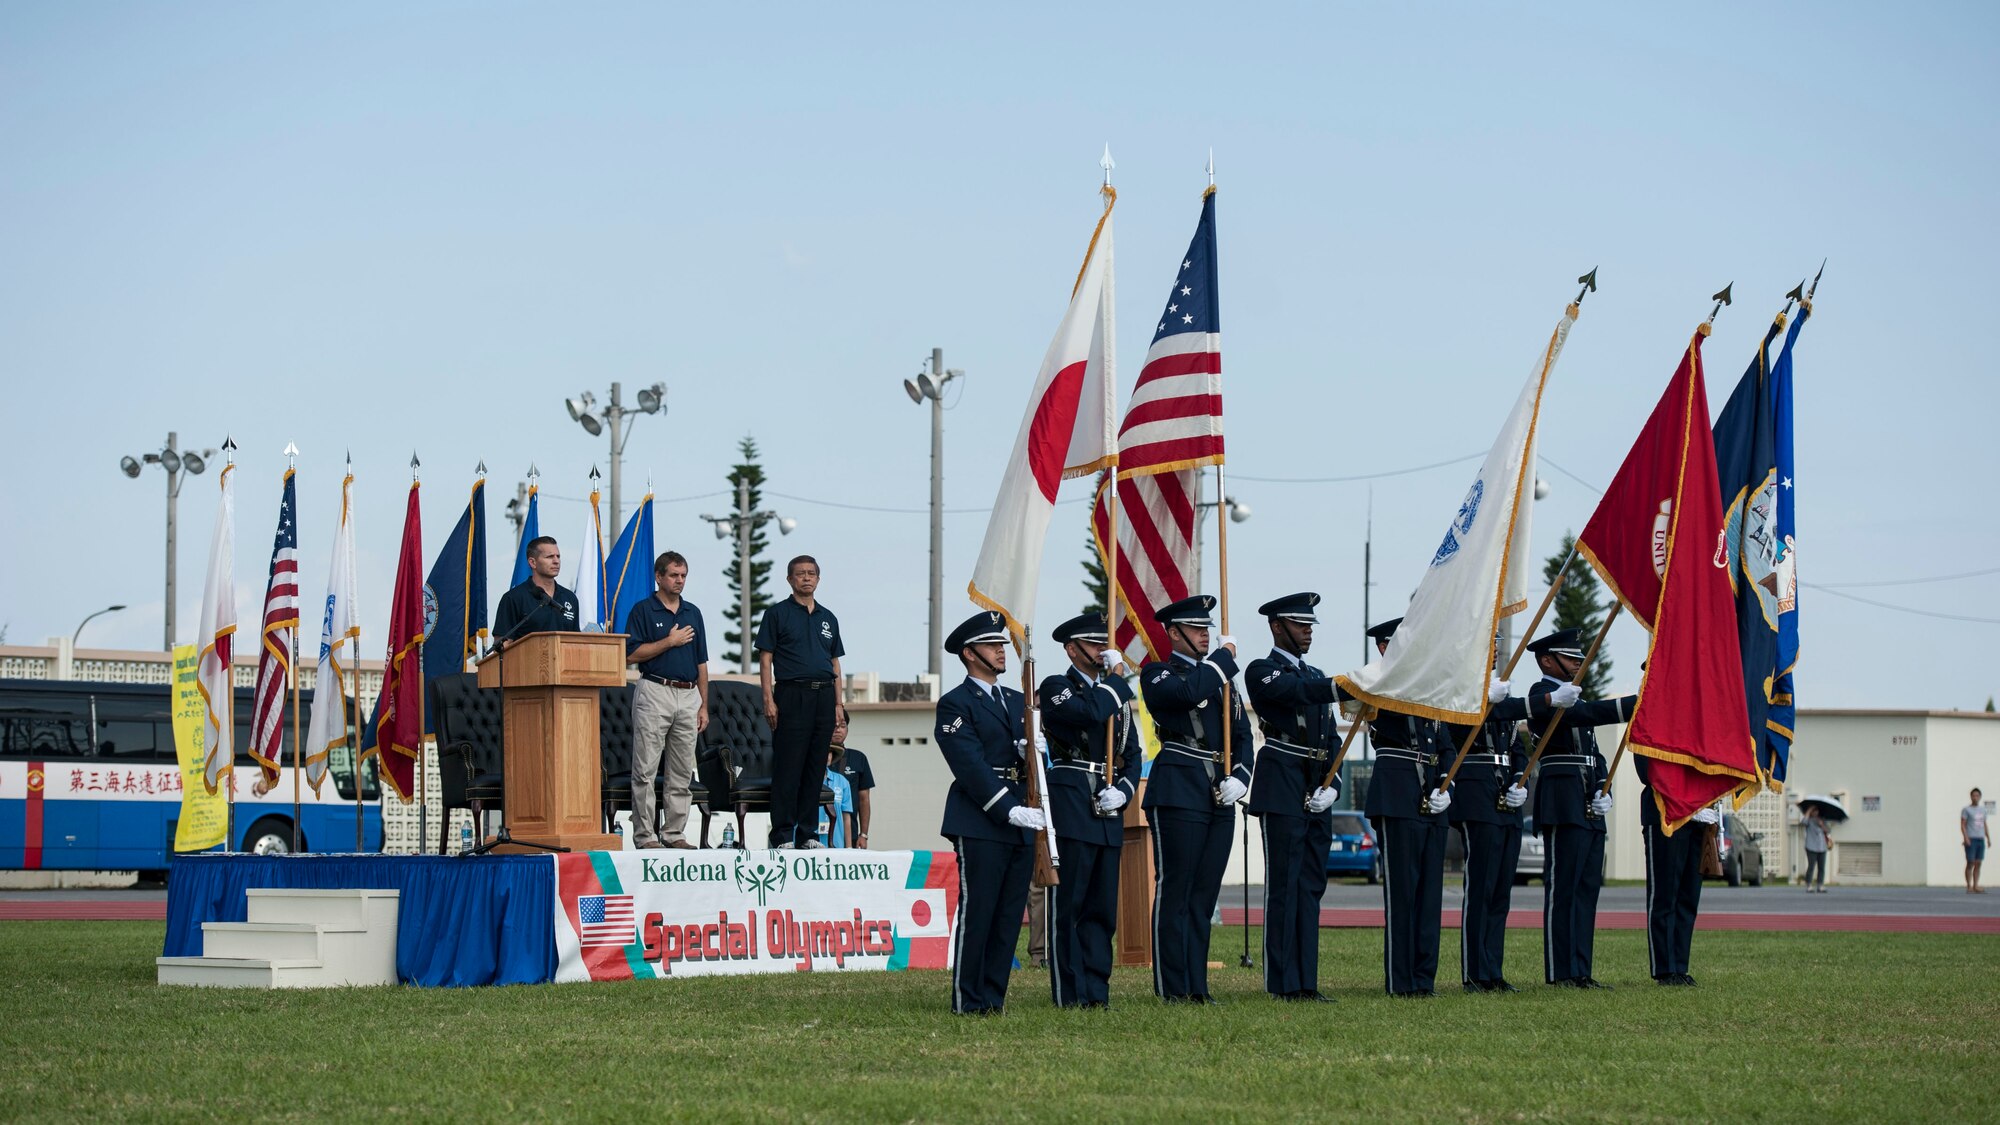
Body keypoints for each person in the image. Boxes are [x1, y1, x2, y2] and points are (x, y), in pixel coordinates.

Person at [1489, 626, 1636, 989]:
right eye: (1570, 658)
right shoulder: (1543, 694)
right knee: (1563, 889)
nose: (1576, 664)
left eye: (1577, 658)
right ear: (1547, 660)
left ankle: (1580, 969)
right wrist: (1635, 703)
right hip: (1563, 797)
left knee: (1586, 889)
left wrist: (1605, 787)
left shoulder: (1572, 696)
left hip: (1587, 797)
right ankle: (1559, 971)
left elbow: (1595, 752)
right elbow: (1579, 719)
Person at [1139, 594, 1252, 1004]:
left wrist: (1240, 775)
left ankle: (1197, 987)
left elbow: (1241, 735)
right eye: (1197, 629)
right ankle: (1173, 988)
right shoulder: (1156, 674)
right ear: (1174, 633)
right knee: (1176, 890)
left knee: (1204, 895)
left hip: (1218, 793)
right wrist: (1224, 660)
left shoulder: (1221, 680)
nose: (1206, 635)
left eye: (1208, 629)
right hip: (1179, 788)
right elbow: (1186, 695)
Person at [934, 609, 1044, 1015]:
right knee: (979, 910)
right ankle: (968, 998)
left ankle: (994, 998)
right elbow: (969, 765)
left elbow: (1032, 759)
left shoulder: (1018, 701)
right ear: (969, 653)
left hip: (1022, 816)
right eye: (992, 645)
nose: (1001, 651)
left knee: (1008, 915)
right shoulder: (955, 704)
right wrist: (1008, 809)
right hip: (981, 818)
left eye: (1001, 644)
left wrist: (1035, 754)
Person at [1038, 611, 1143, 1009]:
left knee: (1102, 910)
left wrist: (1125, 791)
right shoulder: (1056, 687)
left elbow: (1131, 755)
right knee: (1072, 906)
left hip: (1108, 806)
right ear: (1072, 648)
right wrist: (1117, 680)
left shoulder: (1117, 698)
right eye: (1095, 643)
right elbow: (1086, 713)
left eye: (1105, 643)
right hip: (1072, 801)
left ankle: (1097, 992)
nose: (1103, 650)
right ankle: (1070, 991)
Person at [1243, 592, 1340, 1003]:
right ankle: (1282, 981)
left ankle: (1307, 981)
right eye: (1300, 625)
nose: (1307, 631)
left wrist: (1332, 785)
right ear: (1276, 626)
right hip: (1283, 777)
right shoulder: (1262, 670)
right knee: (1284, 885)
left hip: (1317, 780)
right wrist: (1338, 686)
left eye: (1310, 625)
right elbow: (1294, 692)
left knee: (1310, 886)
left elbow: (1332, 736)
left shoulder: (1316, 674)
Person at [1354, 617, 1454, 998]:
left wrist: (1448, 782)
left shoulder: (1427, 687)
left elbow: (1444, 740)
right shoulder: (1376, 681)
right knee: (1403, 894)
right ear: (1384, 646)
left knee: (1430, 894)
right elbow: (1362, 704)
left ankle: (1424, 978)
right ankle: (1401, 980)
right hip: (1397, 792)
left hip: (1432, 792)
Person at [1447, 656, 1529, 994]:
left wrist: (1519, 782)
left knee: (1500, 891)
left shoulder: (1503, 695)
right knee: (1480, 887)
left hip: (1504, 794)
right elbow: (1456, 730)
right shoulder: (1458, 690)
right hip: (1476, 792)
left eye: (1496, 643)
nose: (1493, 650)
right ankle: (1475, 973)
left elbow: (1516, 747)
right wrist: (1482, 699)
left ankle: (1493, 969)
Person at [754, 555, 845, 849]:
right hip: (792, 695)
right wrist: (768, 699)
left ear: (818, 579)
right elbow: (765, 659)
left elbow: (835, 664)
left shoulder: (828, 618)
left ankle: (807, 834)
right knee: (788, 768)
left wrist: (838, 704)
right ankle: (782, 835)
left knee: (815, 767)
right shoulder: (777, 614)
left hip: (824, 696)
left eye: (811, 573)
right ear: (790, 579)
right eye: (800, 574)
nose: (806, 578)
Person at [623, 551, 709, 850]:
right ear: (659, 577)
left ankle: (674, 834)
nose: (680, 580)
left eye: (683, 575)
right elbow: (630, 654)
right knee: (645, 769)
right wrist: (669, 642)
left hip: (689, 694)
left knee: (682, 769)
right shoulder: (643, 610)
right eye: (674, 575)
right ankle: (646, 837)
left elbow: (702, 663)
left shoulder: (692, 612)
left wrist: (704, 705)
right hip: (655, 690)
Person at [1635, 756, 1717, 985]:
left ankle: (1680, 965)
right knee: (1665, 894)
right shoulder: (1652, 721)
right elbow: (1646, 770)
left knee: (1688, 896)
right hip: (1666, 808)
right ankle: (1665, 968)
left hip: (1699, 811)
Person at [491, 536, 581, 641]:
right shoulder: (513, 598)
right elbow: (502, 647)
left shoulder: (570, 598)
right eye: (549, 557)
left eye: (558, 556)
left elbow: (576, 641)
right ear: (532, 562)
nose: (556, 561)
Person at [829, 713, 875, 849]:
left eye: (842, 726)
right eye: (833, 726)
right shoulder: (815, 758)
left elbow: (864, 799)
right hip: (820, 835)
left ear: (847, 729)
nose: (837, 729)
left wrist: (864, 834)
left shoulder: (858, 758)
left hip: (850, 834)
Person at [1964, 788, 1990, 894]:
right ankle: (1969, 885)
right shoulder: (1966, 810)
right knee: (1970, 862)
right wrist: (1966, 838)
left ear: (1980, 797)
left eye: (1977, 795)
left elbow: (1984, 824)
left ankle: (1976, 885)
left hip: (1980, 838)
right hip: (1971, 838)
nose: (1975, 797)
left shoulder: (1983, 810)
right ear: (1971, 796)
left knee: (1978, 863)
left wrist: (1988, 837)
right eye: (1973, 795)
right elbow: (1963, 825)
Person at [1802, 804, 1831, 893]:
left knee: (1821, 867)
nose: (1815, 812)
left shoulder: (1822, 820)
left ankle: (1820, 885)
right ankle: (1809, 885)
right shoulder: (1809, 821)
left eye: (1816, 811)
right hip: (1811, 846)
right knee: (1811, 866)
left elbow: (1828, 831)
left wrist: (1822, 825)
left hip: (1822, 846)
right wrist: (1808, 810)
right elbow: (1803, 822)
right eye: (1813, 811)